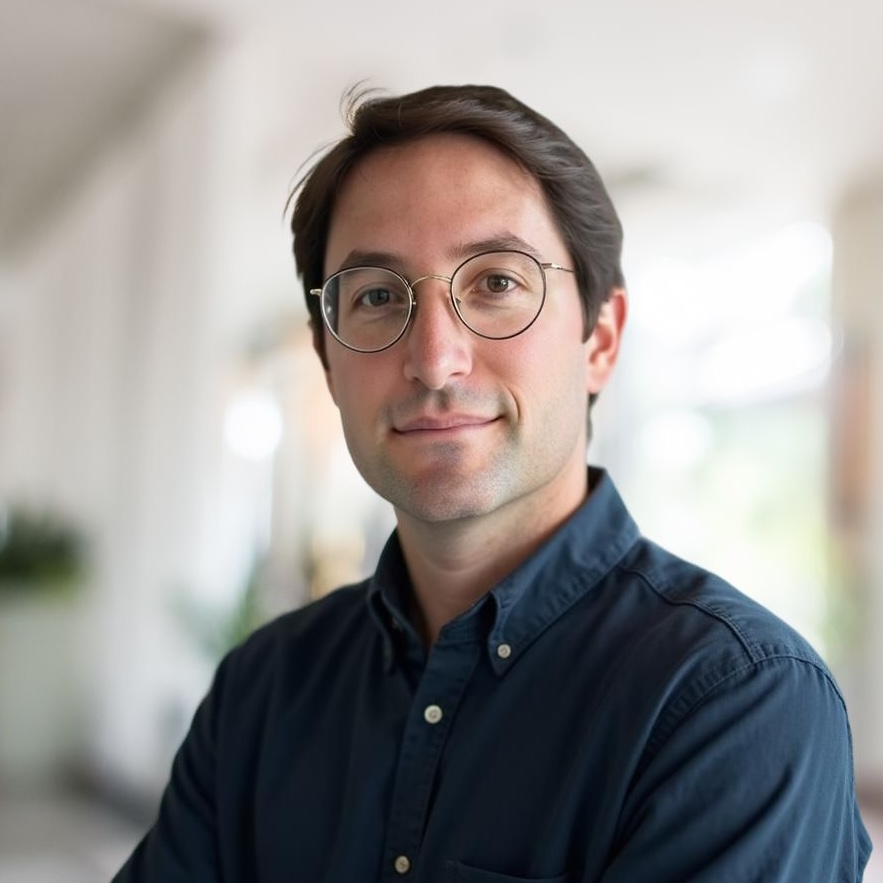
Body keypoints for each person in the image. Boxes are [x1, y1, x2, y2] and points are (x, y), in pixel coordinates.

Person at [113, 84, 872, 882]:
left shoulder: (734, 700)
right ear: (328, 360)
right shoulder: (263, 690)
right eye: (377, 296)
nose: (434, 359)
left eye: (496, 283)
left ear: (599, 339)